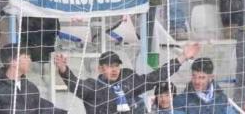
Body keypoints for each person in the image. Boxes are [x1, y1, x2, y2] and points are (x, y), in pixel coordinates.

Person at [54, 45, 200, 114]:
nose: (114, 70)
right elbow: (75, 85)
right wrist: (63, 69)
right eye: (110, 66)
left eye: (116, 66)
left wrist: (182, 57)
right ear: (100, 69)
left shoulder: (129, 80)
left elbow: (155, 77)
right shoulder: (93, 87)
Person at [0, 44, 65, 114]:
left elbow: (44, 108)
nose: (30, 61)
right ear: (13, 62)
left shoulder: (31, 88)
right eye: (26, 57)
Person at [172, 58, 238, 113]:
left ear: (211, 77)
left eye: (202, 77)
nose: (197, 81)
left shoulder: (222, 98)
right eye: (194, 76)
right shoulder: (180, 101)